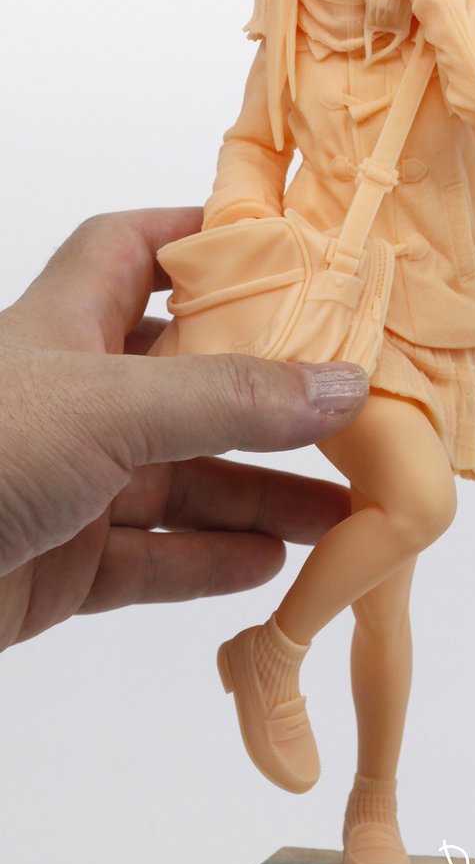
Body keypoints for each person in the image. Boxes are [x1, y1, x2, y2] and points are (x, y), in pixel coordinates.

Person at [154, 0, 475, 864]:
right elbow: (254, 142)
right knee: (418, 502)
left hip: (436, 311)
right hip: (328, 310)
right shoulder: (289, 11)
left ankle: (374, 805)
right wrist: (247, 232)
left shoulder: (460, 0)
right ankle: (271, 653)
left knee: (387, 587)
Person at [0, 207, 369, 652]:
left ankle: (277, 652)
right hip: (310, 285)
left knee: (395, 541)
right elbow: (244, 185)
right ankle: (277, 650)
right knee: (416, 511)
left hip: (348, 289)